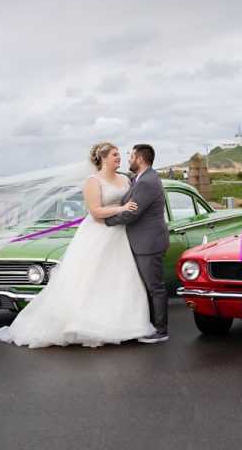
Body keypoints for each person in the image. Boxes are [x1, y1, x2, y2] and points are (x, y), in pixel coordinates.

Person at [0, 142, 155, 348]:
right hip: (99, 234)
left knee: (121, 277)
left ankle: (128, 323)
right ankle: (87, 323)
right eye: (114, 154)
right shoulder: (92, 182)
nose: (119, 157)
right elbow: (95, 211)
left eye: (119, 154)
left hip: (121, 234)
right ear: (103, 158)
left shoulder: (125, 179)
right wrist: (120, 208)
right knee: (93, 277)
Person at [104, 144, 171, 343]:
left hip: (149, 243)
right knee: (148, 287)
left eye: (131, 156)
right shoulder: (142, 179)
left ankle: (161, 330)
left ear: (140, 159)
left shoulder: (146, 182)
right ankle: (150, 325)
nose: (129, 159)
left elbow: (132, 213)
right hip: (144, 241)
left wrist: (105, 221)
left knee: (155, 287)